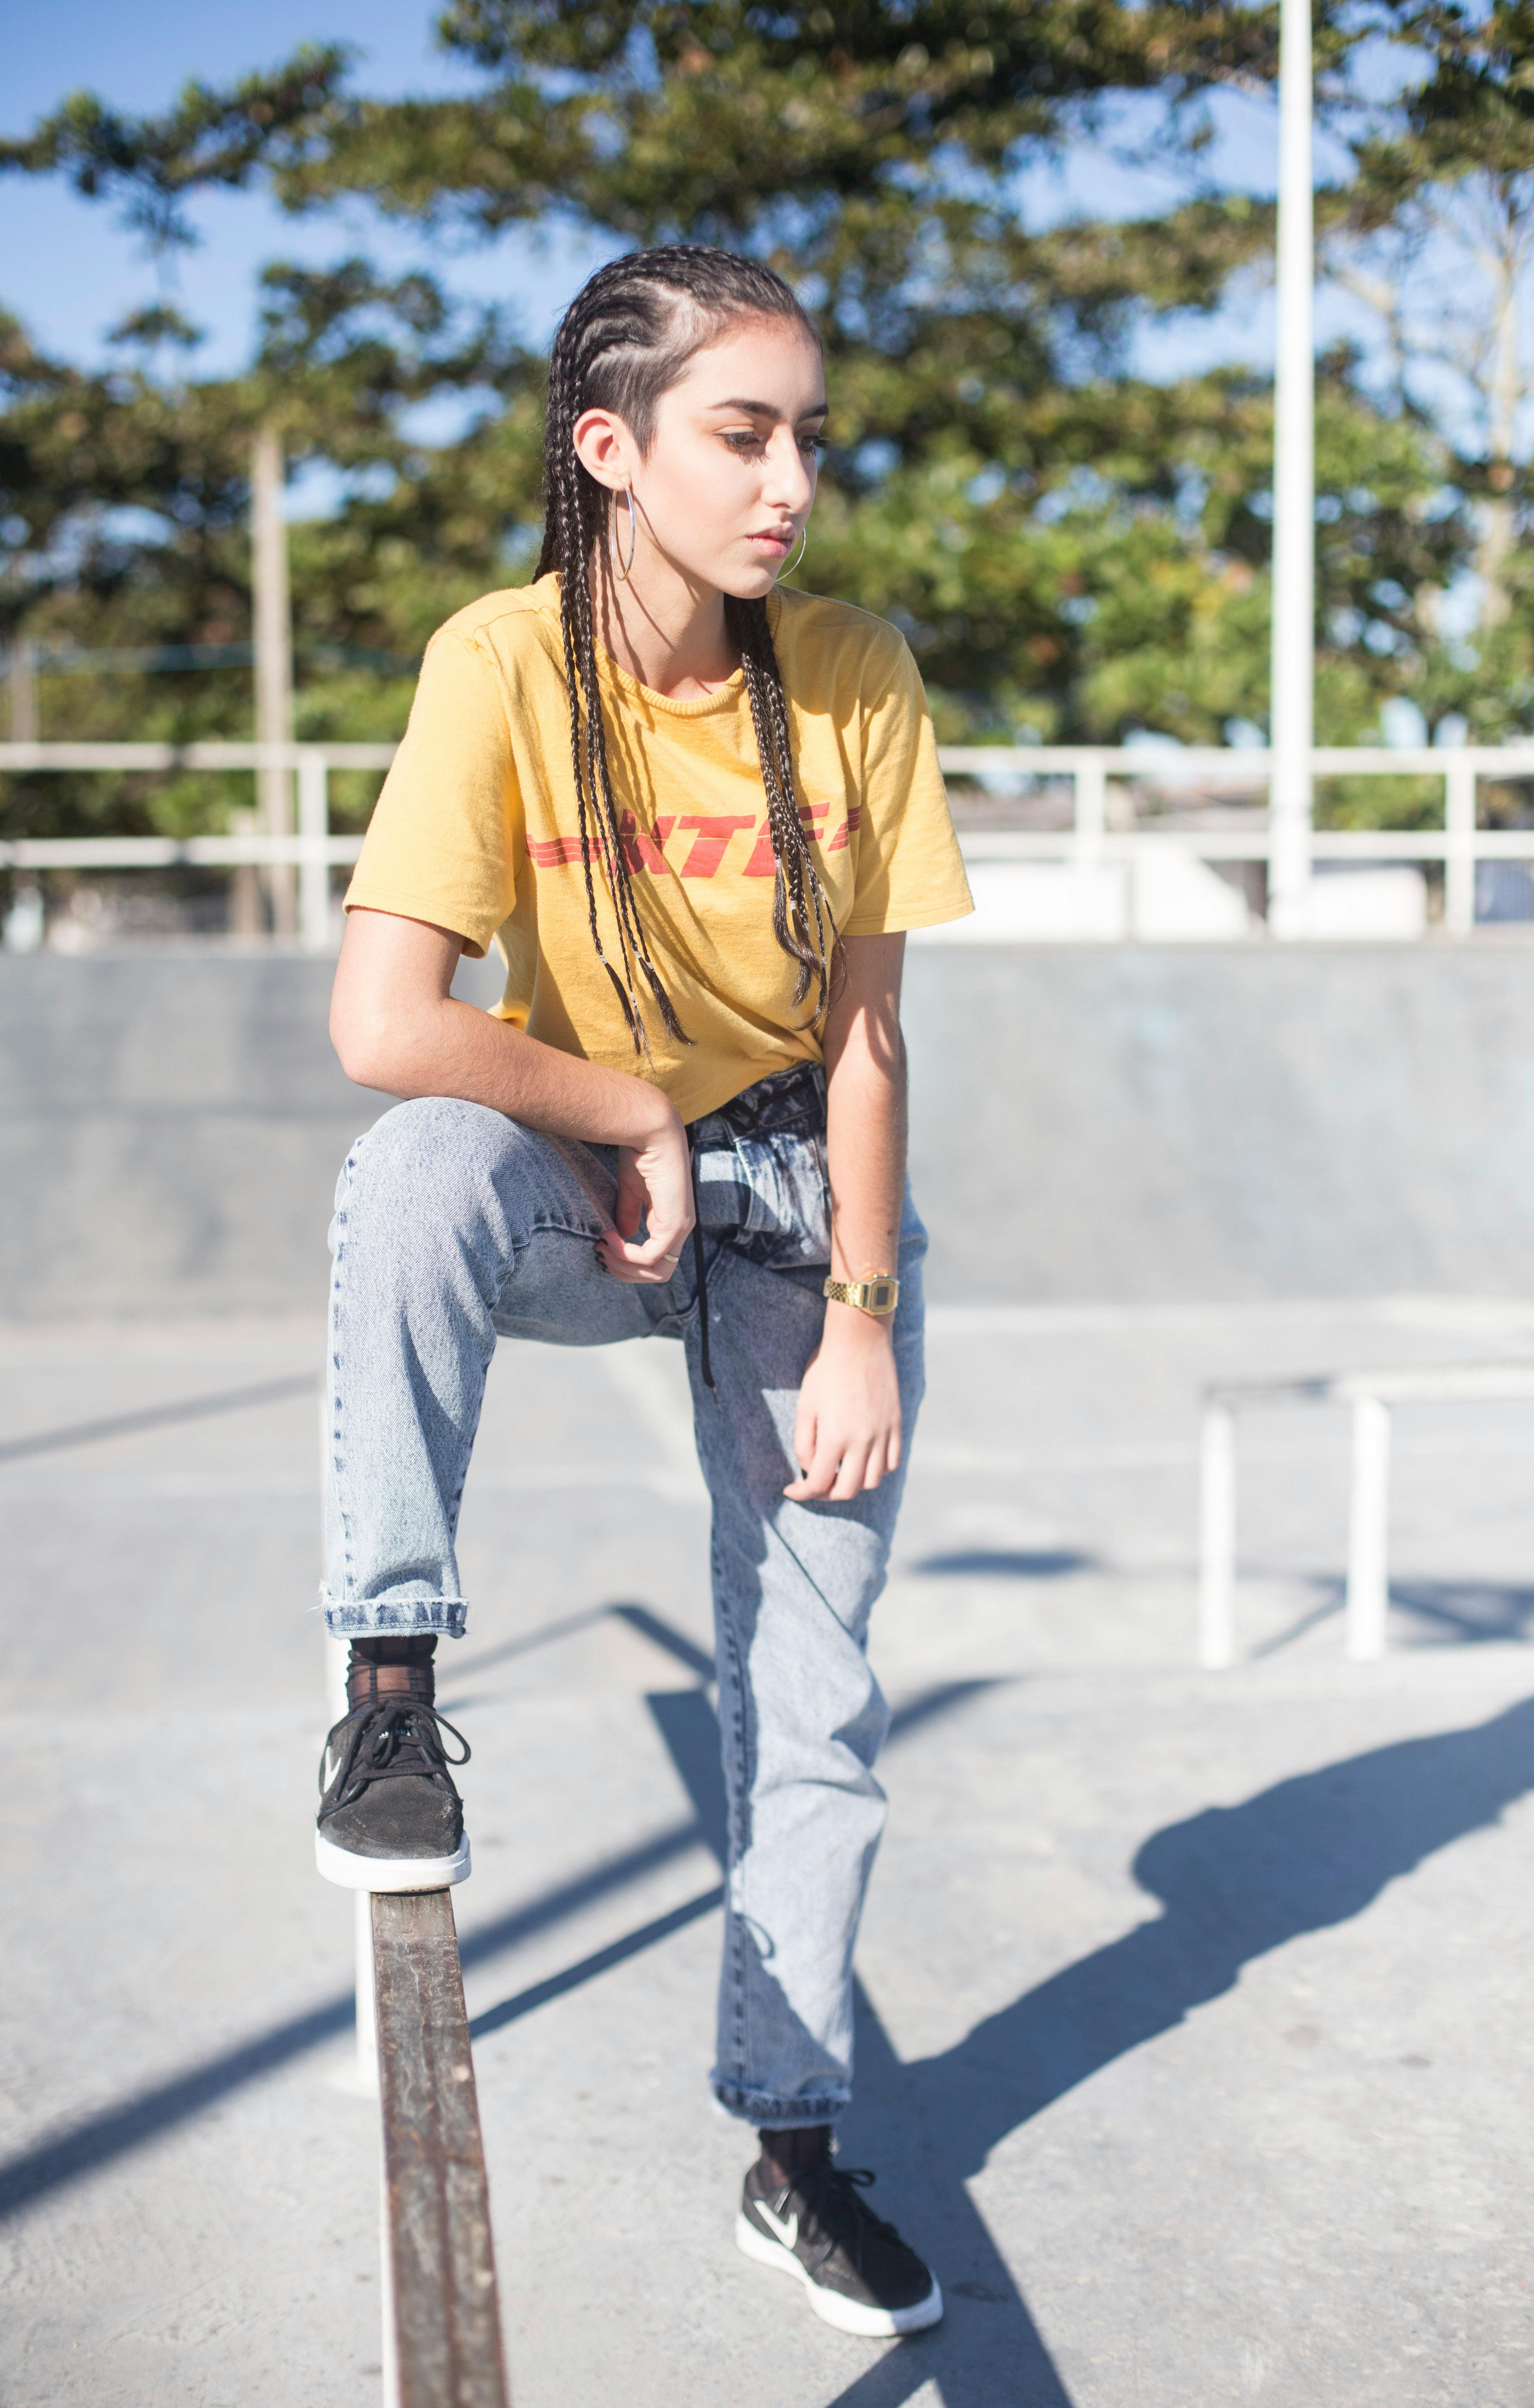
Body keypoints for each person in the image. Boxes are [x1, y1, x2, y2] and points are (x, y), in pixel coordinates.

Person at [314, 245, 972, 2338]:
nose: (790, 481)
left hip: (801, 1201)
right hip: (583, 1183)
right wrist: (618, 1105)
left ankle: (791, 2151)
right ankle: (388, 1695)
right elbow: (385, 1020)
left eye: (807, 437)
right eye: (741, 433)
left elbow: (865, 1041)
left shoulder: (850, 671)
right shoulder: (501, 663)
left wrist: (861, 1304)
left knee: (817, 1701)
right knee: (411, 1172)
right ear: (611, 450)